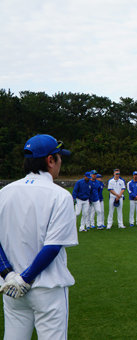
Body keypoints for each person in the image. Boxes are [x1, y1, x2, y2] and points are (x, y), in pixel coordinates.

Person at [0, 134, 78, 339]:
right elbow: (53, 246)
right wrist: (25, 279)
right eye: (59, 157)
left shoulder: (4, 192)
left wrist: (8, 275)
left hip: (11, 288)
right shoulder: (60, 195)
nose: (61, 162)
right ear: (50, 160)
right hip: (46, 288)